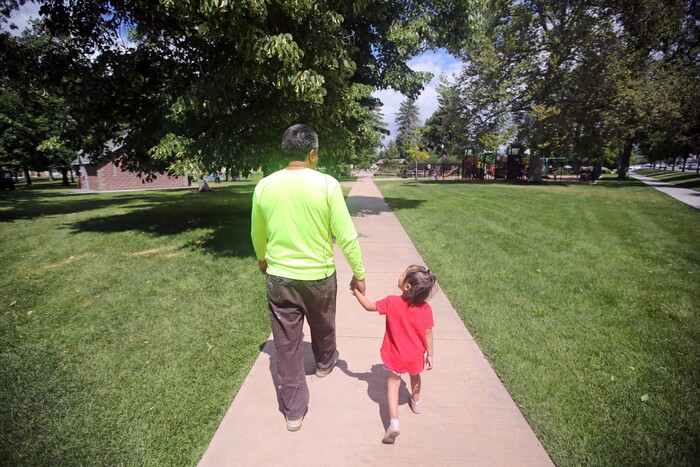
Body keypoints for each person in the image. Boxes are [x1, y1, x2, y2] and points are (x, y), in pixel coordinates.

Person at [251, 124, 366, 432]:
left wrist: (263, 258)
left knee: (286, 345)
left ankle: (293, 410)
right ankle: (326, 363)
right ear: (313, 153)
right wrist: (359, 272)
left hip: (280, 278)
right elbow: (346, 235)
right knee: (323, 322)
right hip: (320, 278)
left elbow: (257, 232)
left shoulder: (265, 186)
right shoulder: (327, 185)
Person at [352, 265, 435, 444]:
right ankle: (416, 402)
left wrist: (355, 291)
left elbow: (368, 306)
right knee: (415, 376)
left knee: (393, 385)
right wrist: (430, 354)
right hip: (414, 355)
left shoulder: (392, 302)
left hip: (396, 355)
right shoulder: (426, 309)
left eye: (403, 274)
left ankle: (394, 422)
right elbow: (428, 332)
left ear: (407, 287)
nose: (400, 275)